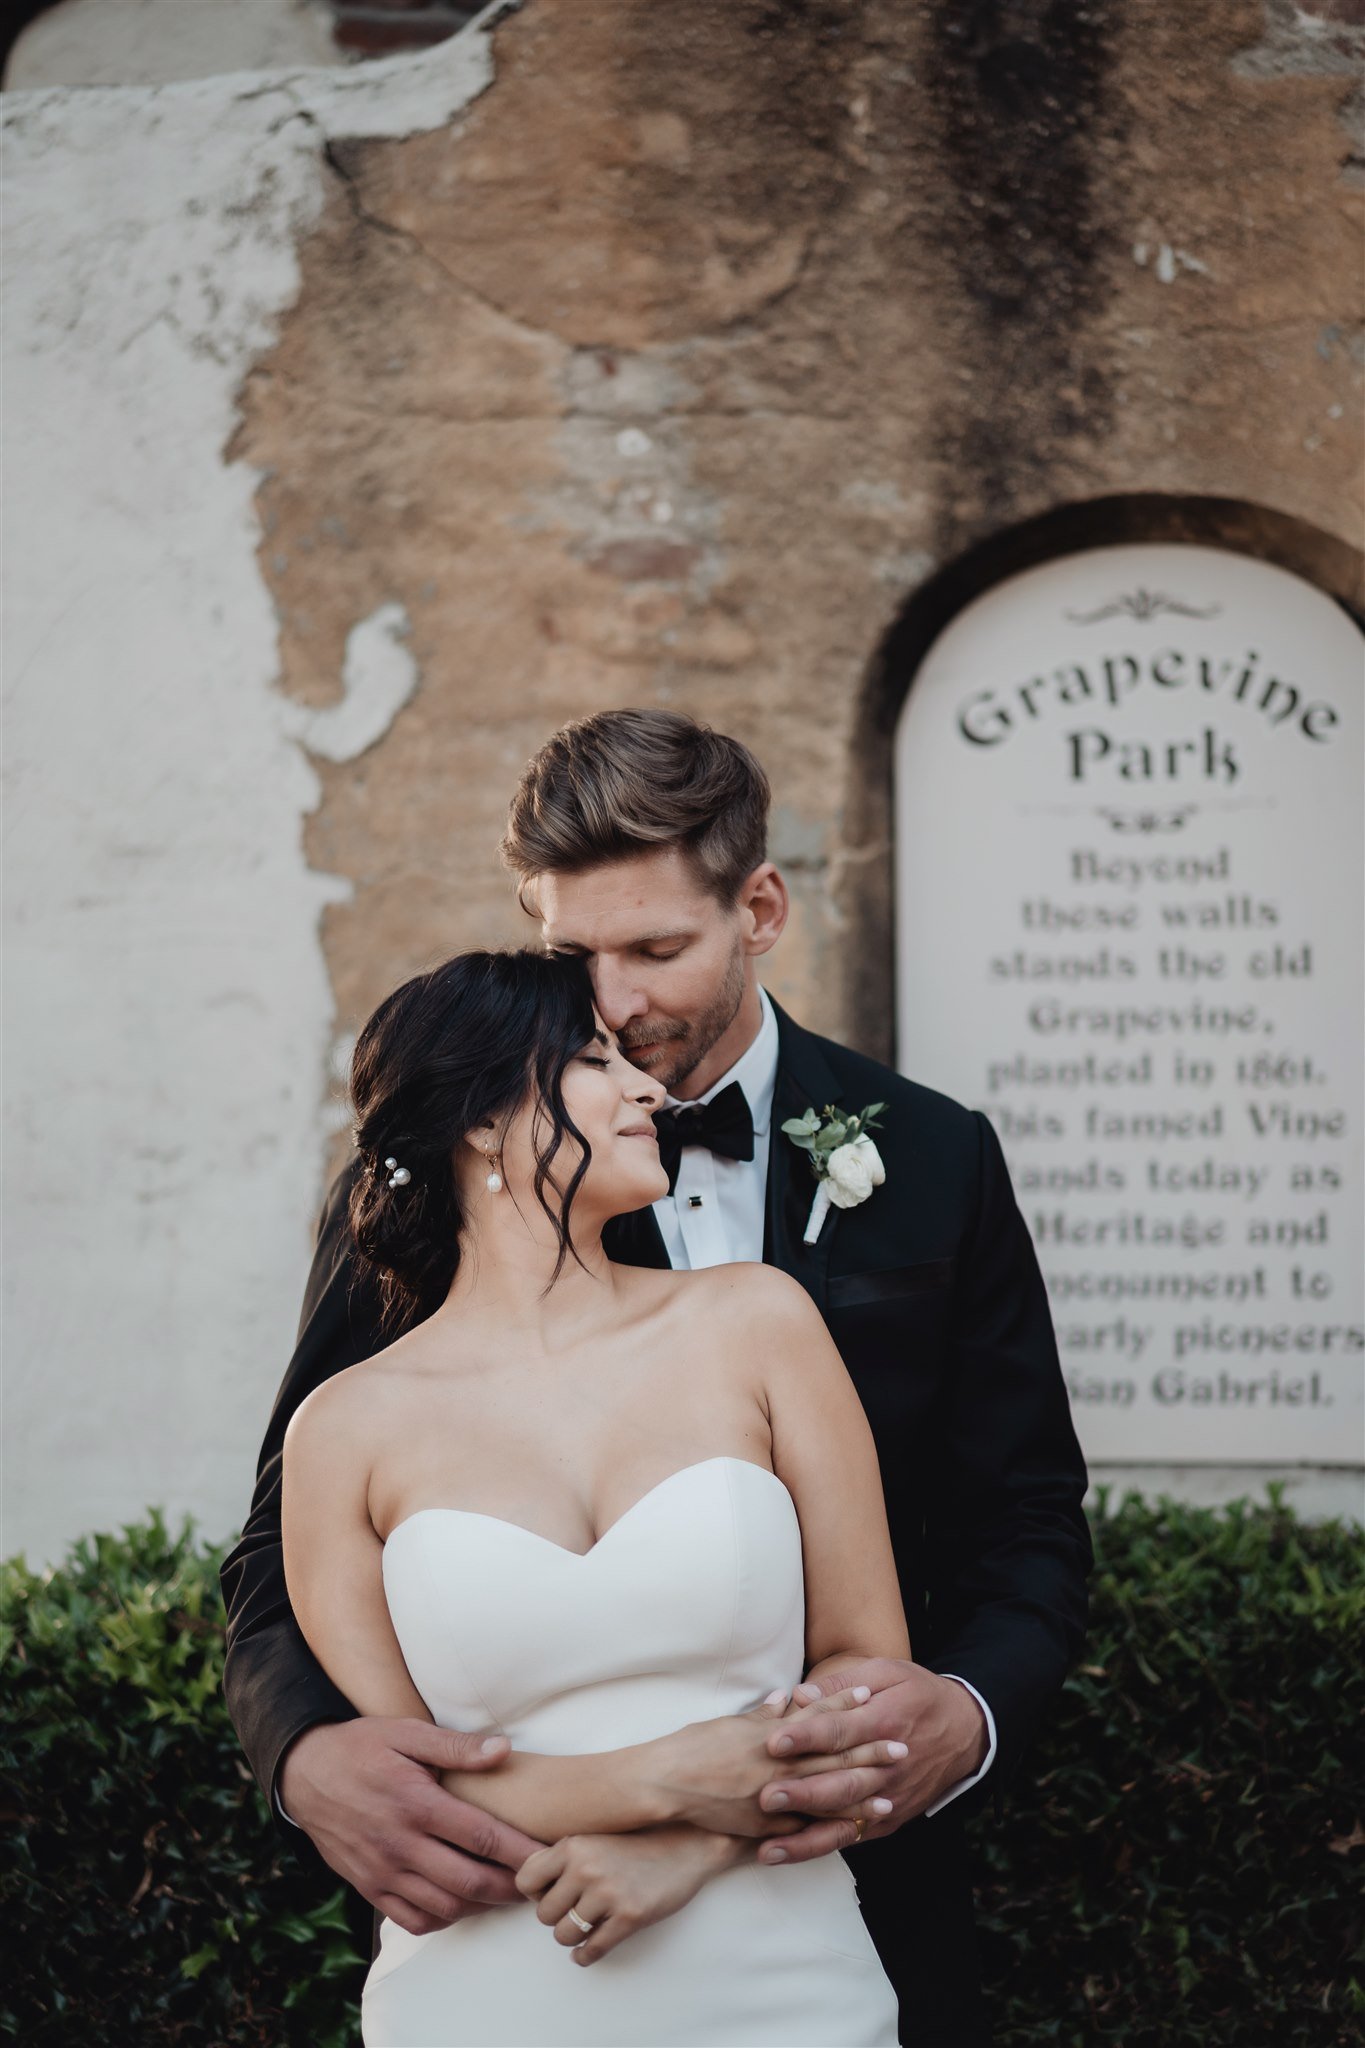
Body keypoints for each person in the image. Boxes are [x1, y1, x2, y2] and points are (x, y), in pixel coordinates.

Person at [222, 709, 1092, 2046]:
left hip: (835, 1909)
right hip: (502, 1921)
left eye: (657, 950)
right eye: (577, 959)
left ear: (759, 909)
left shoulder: (930, 1159)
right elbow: (287, 1541)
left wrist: (957, 1715)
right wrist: (305, 1754)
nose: (616, 1006)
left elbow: (1024, 1521)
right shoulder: (437, 1194)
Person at [283, 947, 906, 2044]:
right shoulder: (343, 1429)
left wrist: (689, 1838)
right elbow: (413, 1792)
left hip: (785, 1981)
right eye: (589, 1060)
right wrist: (666, 1770)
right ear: (478, 1117)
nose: (649, 1089)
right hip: (485, 1989)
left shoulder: (757, 1323)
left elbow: (866, 1670)